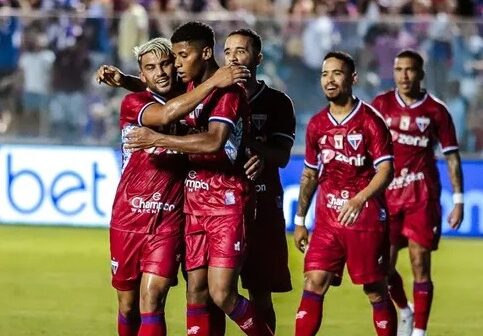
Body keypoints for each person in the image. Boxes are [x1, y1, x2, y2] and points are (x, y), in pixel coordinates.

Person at [124, 22, 273, 336]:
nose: (176, 64)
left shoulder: (229, 93)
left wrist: (159, 139)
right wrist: (123, 80)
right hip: (194, 202)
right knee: (196, 293)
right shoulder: (190, 88)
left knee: (223, 294)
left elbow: (213, 141)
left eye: (182, 55)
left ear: (205, 53)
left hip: (226, 202)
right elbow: (157, 88)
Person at [293, 51, 398, 336]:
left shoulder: (370, 121)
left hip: (364, 219)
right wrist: (300, 219)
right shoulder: (316, 124)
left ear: (353, 78)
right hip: (327, 220)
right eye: (324, 74)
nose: (329, 79)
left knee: (375, 289)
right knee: (313, 281)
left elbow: (386, 170)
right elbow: (310, 174)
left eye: (336, 73)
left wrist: (359, 198)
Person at [371, 49, 464, 336]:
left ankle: (419, 333)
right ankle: (405, 311)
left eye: (410, 70)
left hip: (422, 195)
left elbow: (451, 156)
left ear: (421, 74)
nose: (404, 75)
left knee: (419, 262)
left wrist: (459, 199)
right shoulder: (381, 105)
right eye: (399, 70)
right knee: (381, 267)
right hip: (387, 195)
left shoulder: (436, 110)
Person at [224, 29, 295, 334]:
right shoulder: (215, 96)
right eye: (227, 52)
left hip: (262, 203)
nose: (232, 57)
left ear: (258, 58)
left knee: (260, 291)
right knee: (214, 290)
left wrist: (257, 151)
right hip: (220, 204)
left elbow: (282, 156)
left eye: (241, 51)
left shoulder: (278, 102)